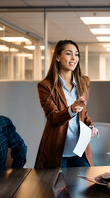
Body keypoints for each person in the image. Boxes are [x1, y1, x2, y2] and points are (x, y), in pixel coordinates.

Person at [35, 40, 99, 169]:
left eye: (76, 54)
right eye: (69, 53)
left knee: (85, 186)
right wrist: (71, 109)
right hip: (58, 149)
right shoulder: (46, 86)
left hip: (79, 148)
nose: (74, 58)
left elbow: (83, 112)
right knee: (55, 187)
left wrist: (91, 126)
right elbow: (53, 118)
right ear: (57, 57)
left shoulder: (84, 82)